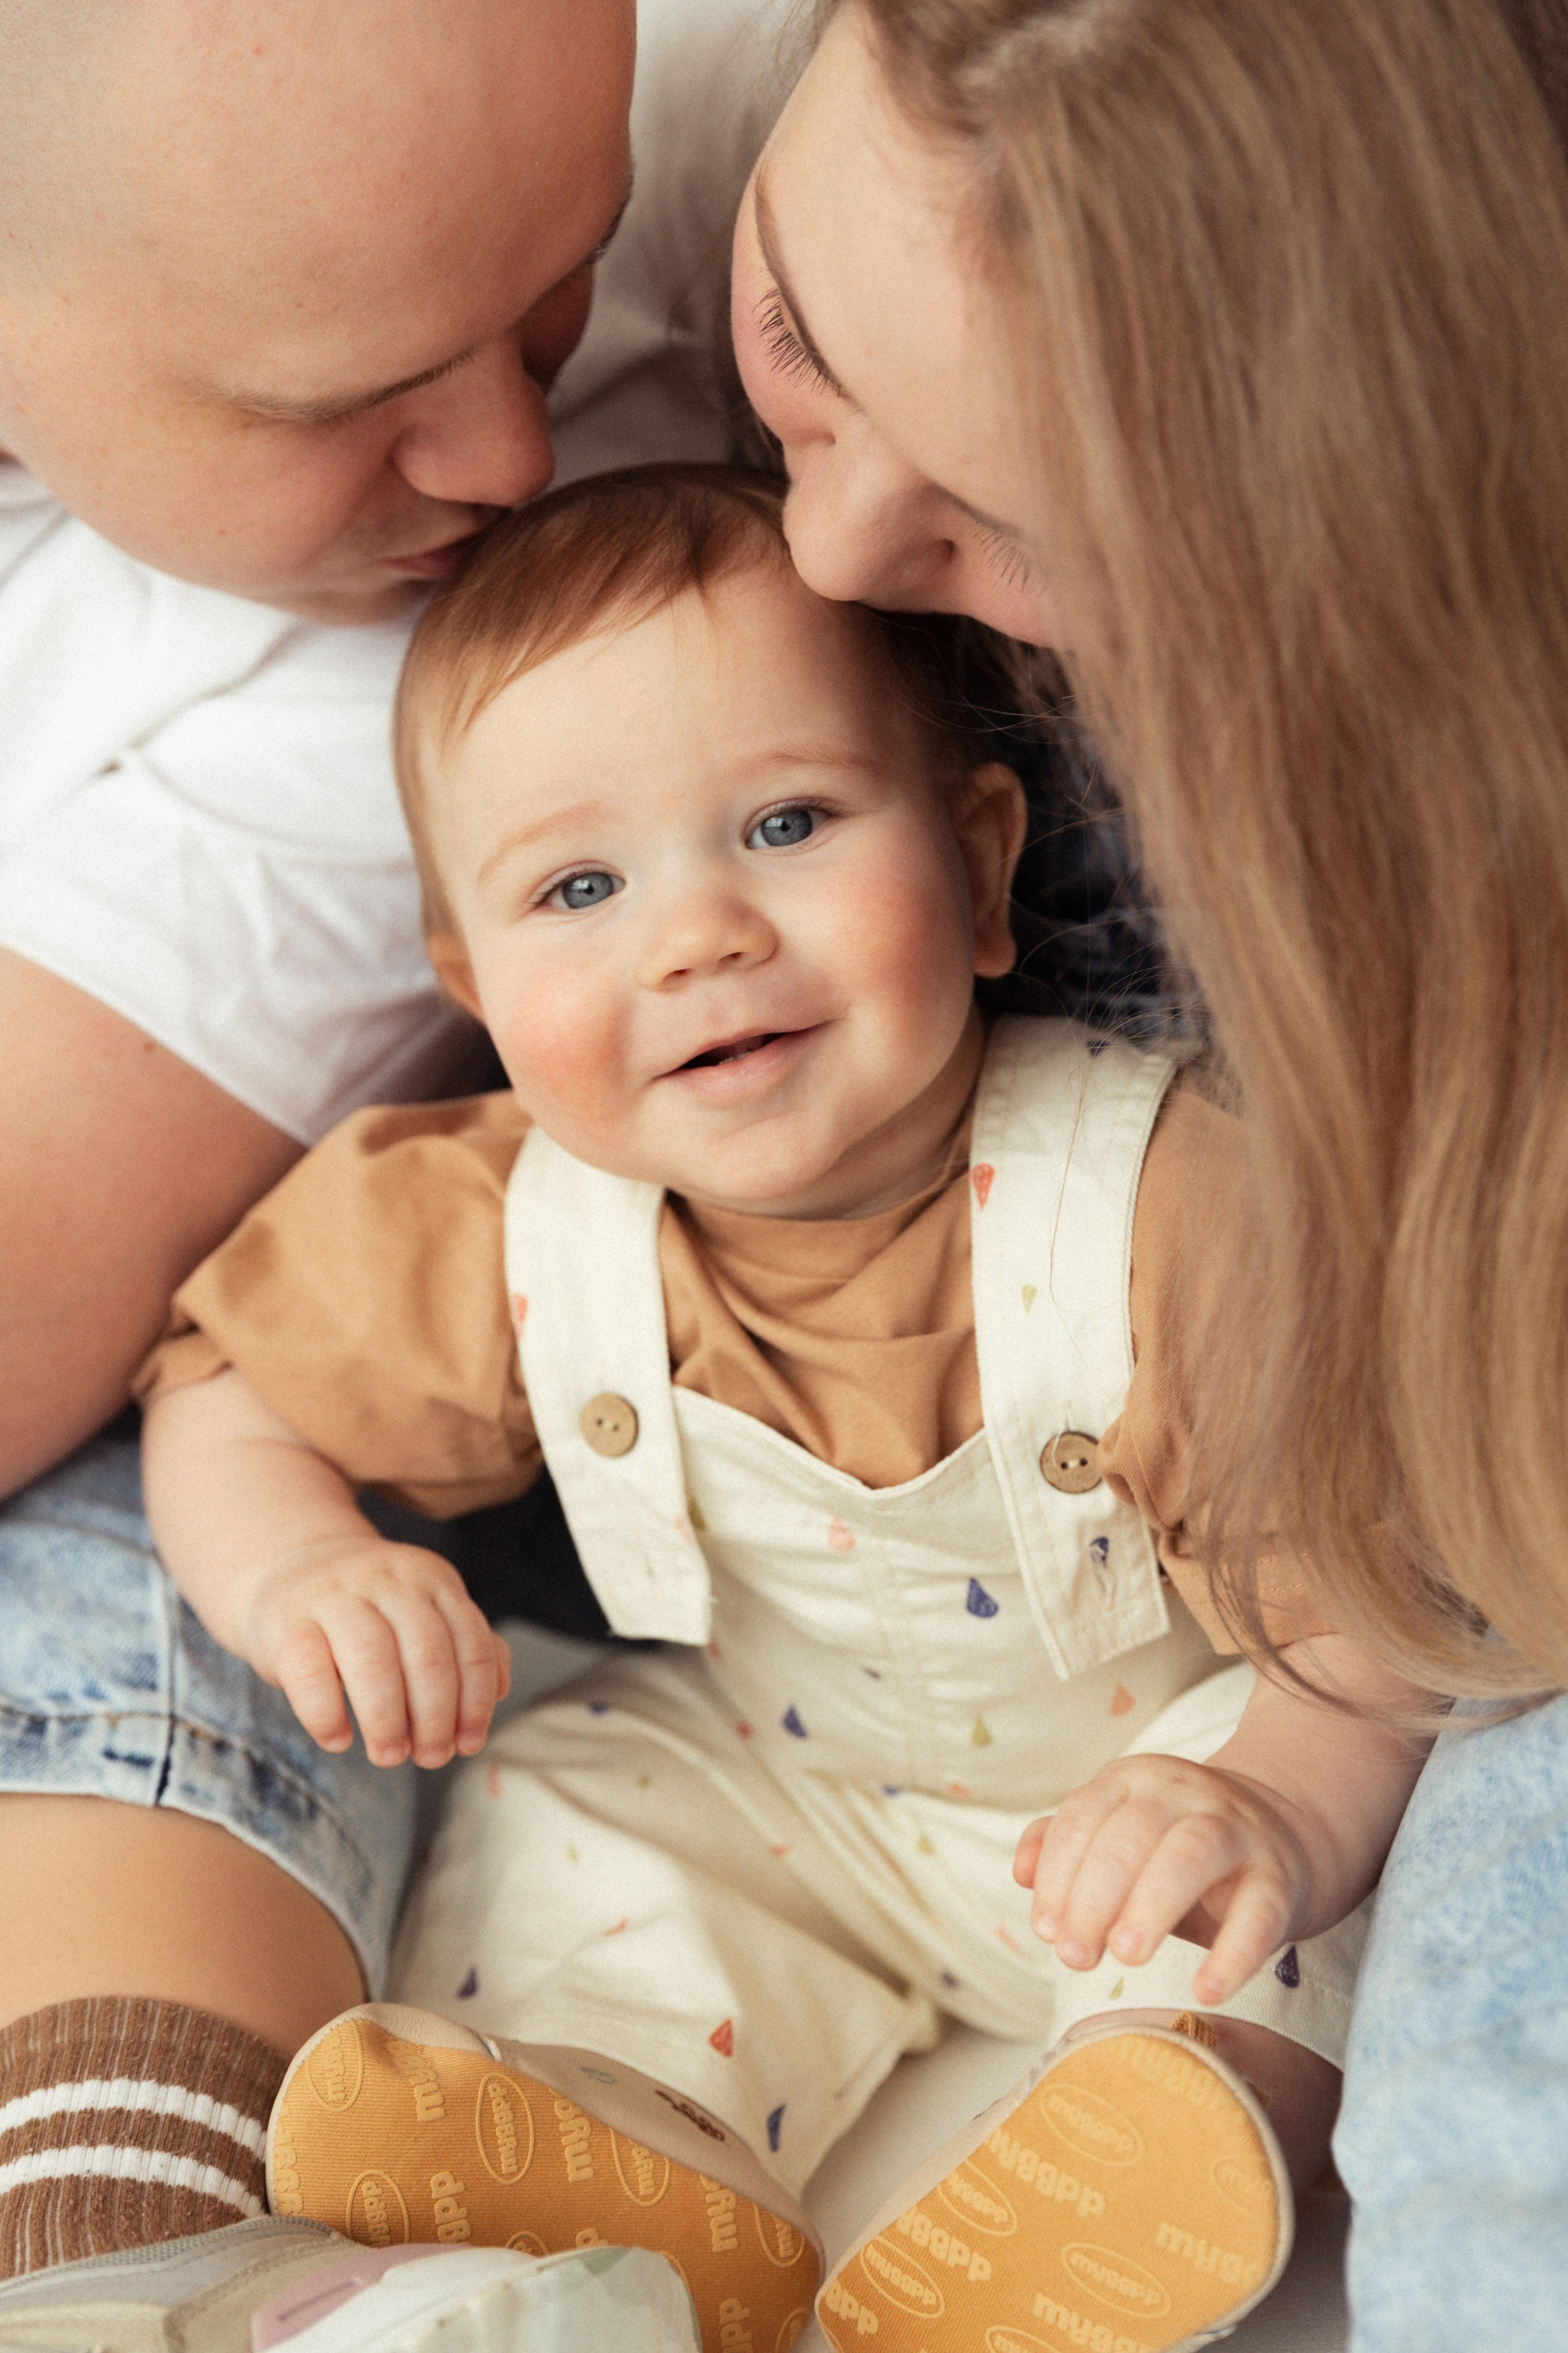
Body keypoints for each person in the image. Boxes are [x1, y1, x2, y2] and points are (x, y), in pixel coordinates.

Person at [134, 464, 1423, 2353]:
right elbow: (219, 1377)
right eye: (582, 887)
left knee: (1275, 1931)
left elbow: (1381, 1610)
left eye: (789, 821)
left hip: (1158, 1768)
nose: (697, 935)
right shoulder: (499, 1223)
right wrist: (305, 1565)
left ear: (983, 871)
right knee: (580, 1808)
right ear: (475, 986)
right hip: (800, 1783)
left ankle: (1131, 2151)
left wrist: (1272, 1803)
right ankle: (641, 2156)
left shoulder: (1167, 1206)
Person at [722, 1, 1568, 2346]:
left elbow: (1472, 1550)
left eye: (1025, 536)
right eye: (797, 332)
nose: (830, 543)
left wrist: (1301, 1774)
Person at [0, 0, 801, 2277]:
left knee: (139, 1543)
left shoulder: (432, 653)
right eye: (341, 401)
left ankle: (123, 2262)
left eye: (562, 275)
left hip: (370, 1445)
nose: (514, 447)